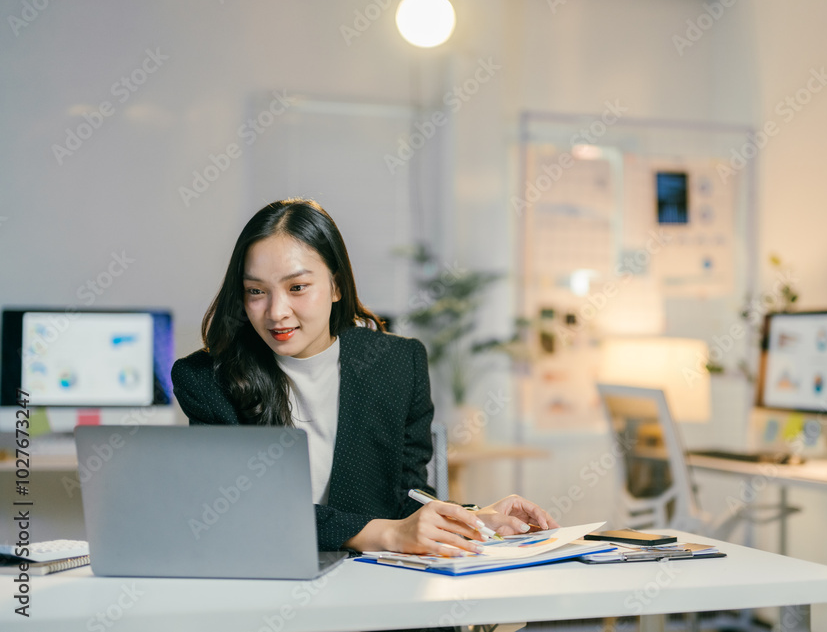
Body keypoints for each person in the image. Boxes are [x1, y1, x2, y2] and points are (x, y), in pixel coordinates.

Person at [171, 198, 558, 555]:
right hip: (269, 579)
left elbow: (405, 496)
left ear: (336, 286)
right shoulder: (208, 380)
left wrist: (474, 519)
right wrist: (384, 534)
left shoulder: (396, 363)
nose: (276, 312)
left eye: (297, 287)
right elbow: (242, 511)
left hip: (376, 584)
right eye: (256, 292)